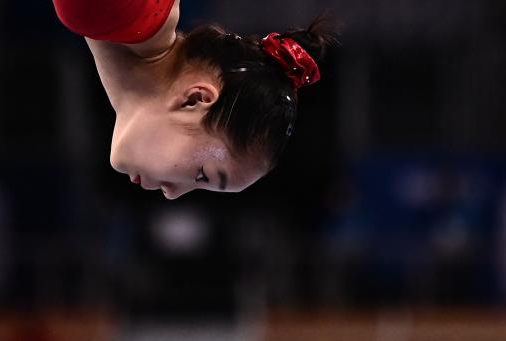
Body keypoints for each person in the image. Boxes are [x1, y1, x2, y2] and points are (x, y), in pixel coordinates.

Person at [51, 0, 338, 198]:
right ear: (196, 99)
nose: (172, 193)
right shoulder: (112, 9)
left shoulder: (124, 15)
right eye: (202, 176)